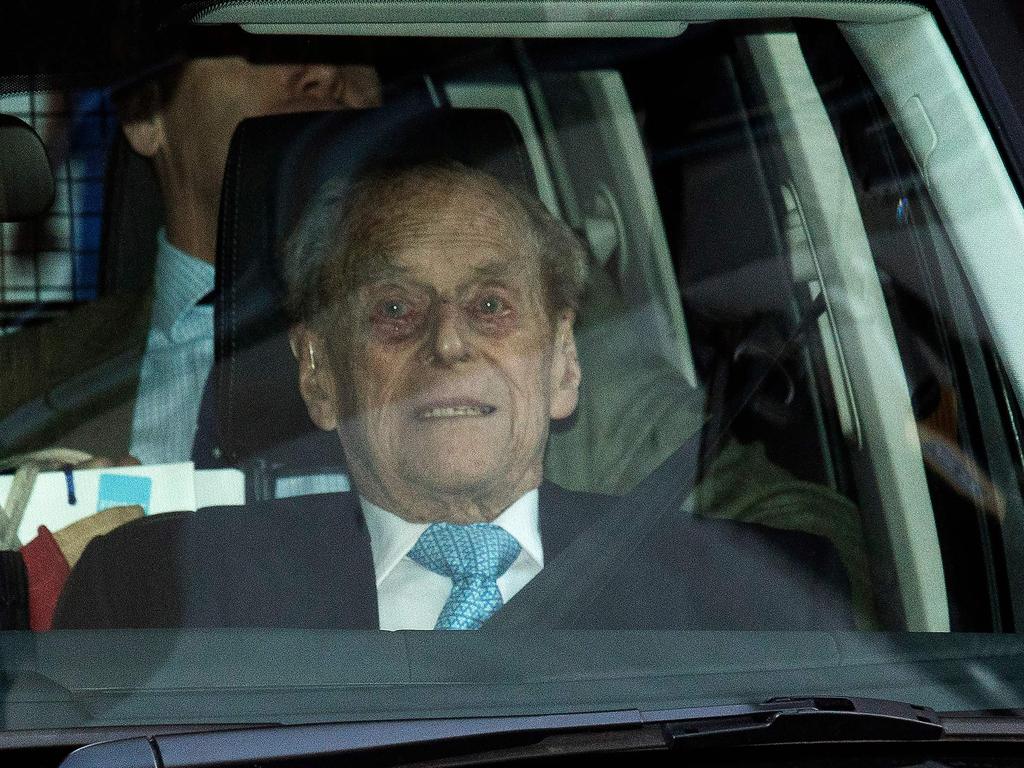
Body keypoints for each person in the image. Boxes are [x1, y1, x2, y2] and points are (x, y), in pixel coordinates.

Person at [53, 162, 853, 631]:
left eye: (492, 306)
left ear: (565, 364)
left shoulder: (746, 602)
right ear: (318, 375)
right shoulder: (163, 596)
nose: (448, 343)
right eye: (395, 310)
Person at [0, 54, 381, 463]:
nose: (325, 71)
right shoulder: (16, 387)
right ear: (145, 115)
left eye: (356, 43)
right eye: (265, 42)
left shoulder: (446, 347)